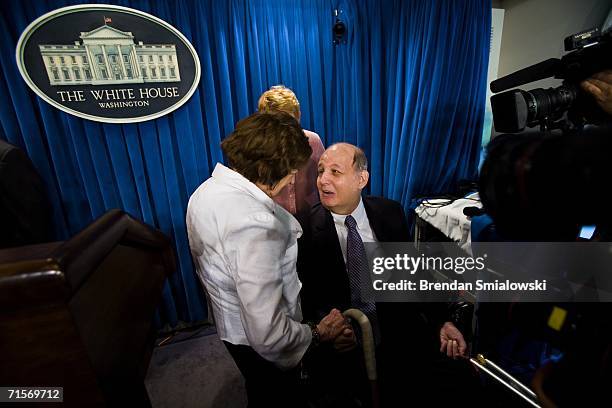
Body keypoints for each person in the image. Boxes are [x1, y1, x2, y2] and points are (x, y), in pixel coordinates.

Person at [186, 112, 348, 408]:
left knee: (259, 391)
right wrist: (315, 333)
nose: (294, 178)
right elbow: (269, 334)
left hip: (232, 329)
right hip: (259, 346)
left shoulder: (205, 192)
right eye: (293, 171)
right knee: (278, 397)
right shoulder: (256, 224)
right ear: (273, 169)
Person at [297, 143, 471, 406]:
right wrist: (331, 331)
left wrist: (441, 321)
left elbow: (414, 274)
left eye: (335, 171)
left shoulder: (389, 212)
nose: (323, 180)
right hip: (347, 343)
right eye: (321, 171)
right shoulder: (305, 228)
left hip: (398, 331)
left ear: (361, 179)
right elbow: (307, 297)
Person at [258, 85, 325, 216]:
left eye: (289, 122)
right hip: (274, 220)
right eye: (277, 123)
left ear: (298, 116)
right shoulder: (257, 148)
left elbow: (325, 177)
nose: (284, 129)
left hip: (312, 217)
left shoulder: (313, 141)